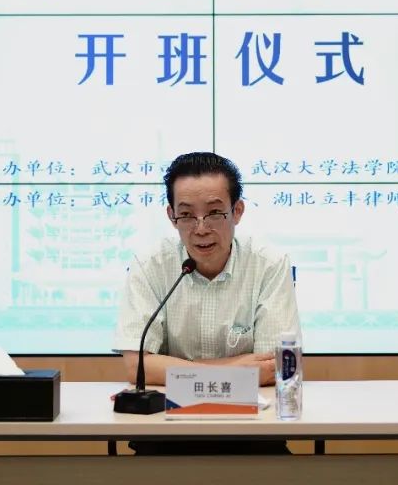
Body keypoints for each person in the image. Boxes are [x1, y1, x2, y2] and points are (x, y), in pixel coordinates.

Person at [113, 152, 301, 454]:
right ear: (171, 216)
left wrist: (175, 369)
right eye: (187, 215)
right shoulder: (149, 266)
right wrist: (234, 367)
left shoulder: (269, 265)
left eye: (214, 213)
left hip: (253, 436)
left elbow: (272, 368)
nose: (201, 228)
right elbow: (138, 366)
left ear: (237, 211)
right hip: (165, 434)